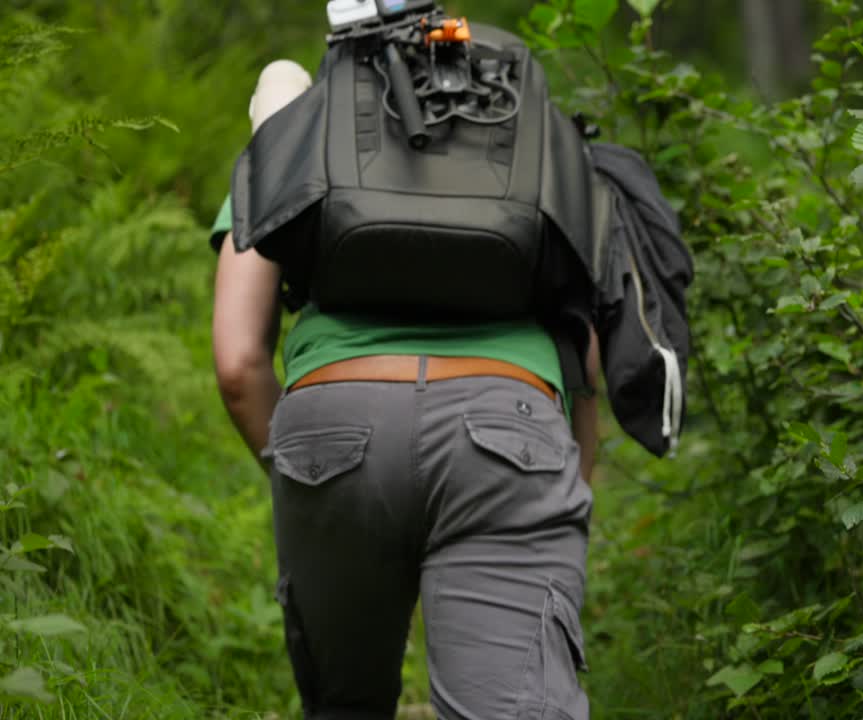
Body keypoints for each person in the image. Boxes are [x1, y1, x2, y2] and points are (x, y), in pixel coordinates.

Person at [210, 57, 598, 720]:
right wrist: (570, 487)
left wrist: (305, 468)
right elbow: (587, 349)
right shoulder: (528, 139)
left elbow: (239, 361)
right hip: (510, 429)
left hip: (334, 421)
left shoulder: (295, 135)